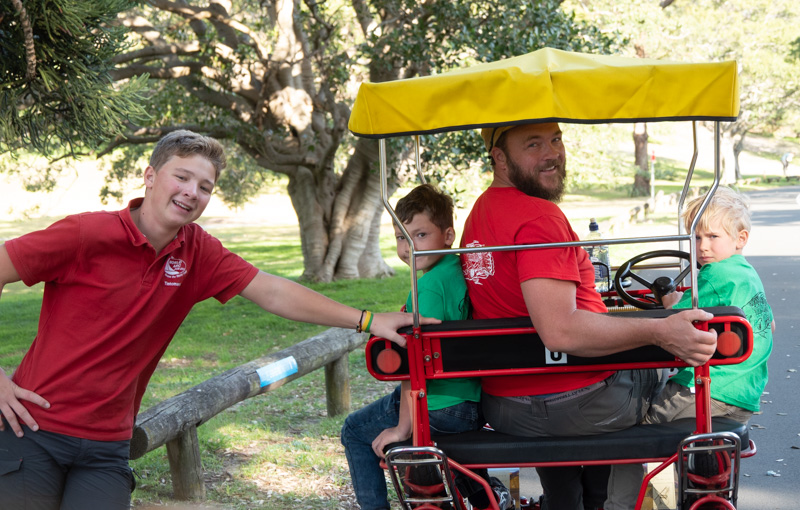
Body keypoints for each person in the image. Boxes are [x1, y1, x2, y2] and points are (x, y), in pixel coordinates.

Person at [0, 130, 436, 510]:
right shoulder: (86, 234)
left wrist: (366, 320)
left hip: (107, 447)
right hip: (33, 432)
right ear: (150, 176)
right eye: (182, 177)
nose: (193, 192)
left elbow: (272, 291)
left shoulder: (197, 252)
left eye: (205, 186)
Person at [459, 122, 718, 510]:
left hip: (506, 406)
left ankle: (565, 498)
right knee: (655, 368)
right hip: (578, 403)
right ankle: (610, 499)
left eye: (556, 139)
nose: (552, 153)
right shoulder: (539, 219)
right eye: (533, 144)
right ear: (499, 157)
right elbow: (560, 331)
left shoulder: (481, 212)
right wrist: (660, 331)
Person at [606, 186, 775, 510]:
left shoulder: (713, 276)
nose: (702, 247)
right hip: (743, 392)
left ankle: (621, 505)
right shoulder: (746, 275)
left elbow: (673, 321)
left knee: (626, 434)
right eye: (696, 238)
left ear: (740, 239)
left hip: (708, 391)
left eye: (712, 237)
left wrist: (668, 301)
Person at [341, 184, 502, 510]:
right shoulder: (460, 269)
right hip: (472, 403)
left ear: (447, 234)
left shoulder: (426, 287)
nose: (408, 247)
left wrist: (403, 427)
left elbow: (413, 364)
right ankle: (486, 498)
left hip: (437, 406)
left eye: (419, 235)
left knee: (354, 430)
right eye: (402, 237)